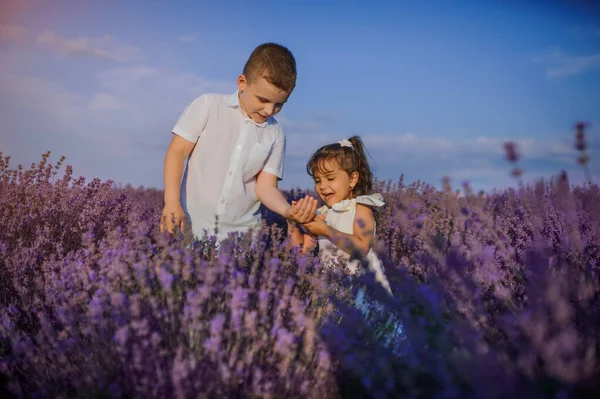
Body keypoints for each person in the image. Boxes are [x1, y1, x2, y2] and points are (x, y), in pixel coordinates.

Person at [160, 42, 317, 242]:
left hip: (241, 237)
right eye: (262, 100)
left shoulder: (275, 133)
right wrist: (172, 203)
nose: (269, 111)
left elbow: (265, 187)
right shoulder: (208, 106)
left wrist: (288, 211)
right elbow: (177, 153)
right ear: (242, 82)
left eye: (279, 105)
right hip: (193, 226)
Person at [288, 136, 392, 295]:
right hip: (333, 287)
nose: (322, 186)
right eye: (317, 180)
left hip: (364, 288)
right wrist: (292, 222)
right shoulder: (323, 214)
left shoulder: (360, 208)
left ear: (352, 179)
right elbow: (301, 251)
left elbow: (362, 248)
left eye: (330, 178)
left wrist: (326, 230)